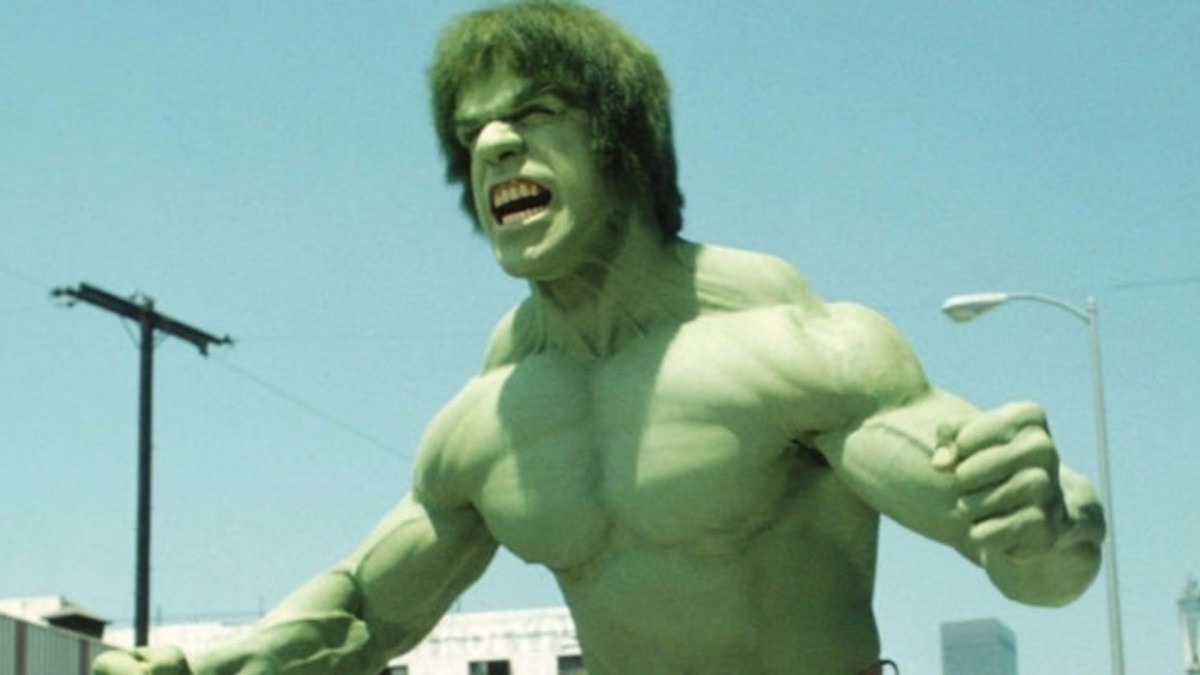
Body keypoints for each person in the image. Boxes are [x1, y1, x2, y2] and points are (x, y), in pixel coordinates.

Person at [93, 1, 1106, 673]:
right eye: (473, 133)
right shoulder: (493, 415)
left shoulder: (784, 344)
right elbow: (364, 610)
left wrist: (1052, 515)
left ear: (621, 144)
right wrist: (214, 663)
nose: (495, 144)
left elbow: (1020, 549)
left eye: (534, 113)